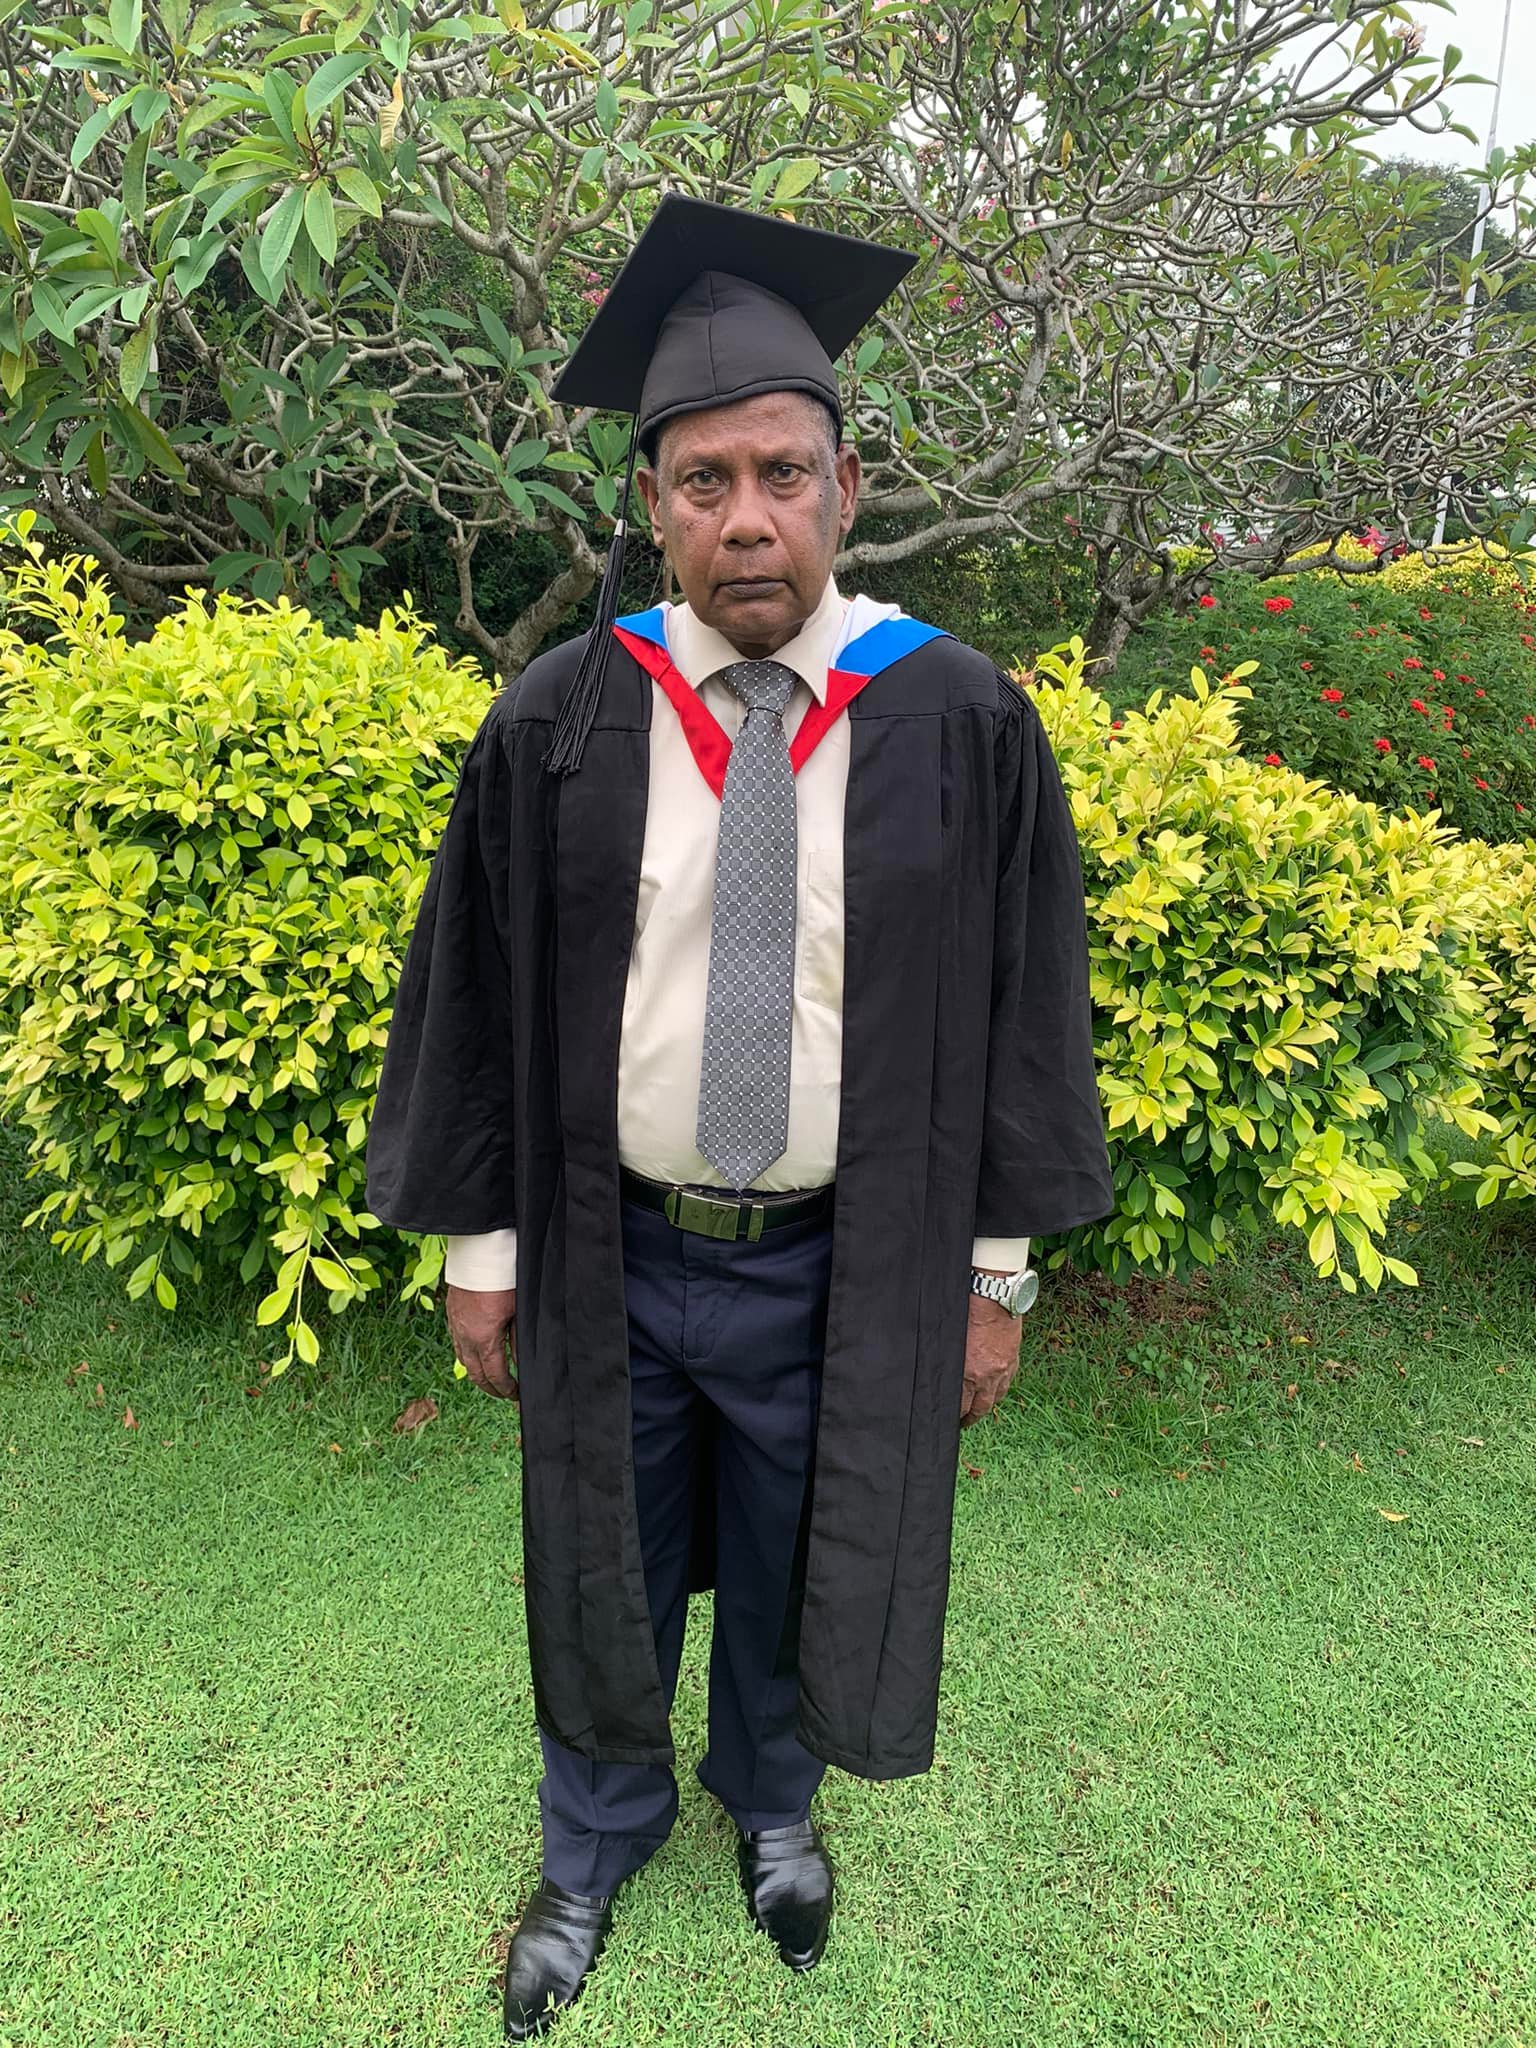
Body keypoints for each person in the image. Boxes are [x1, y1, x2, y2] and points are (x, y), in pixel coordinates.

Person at [365, 195, 1115, 2040]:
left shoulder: (956, 716)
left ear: (848, 487)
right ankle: (593, 1838)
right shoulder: (562, 718)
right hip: (611, 1249)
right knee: (598, 1555)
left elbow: (1024, 1013)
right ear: (653, 506)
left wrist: (996, 1274)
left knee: (802, 1547)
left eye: (783, 473)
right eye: (704, 482)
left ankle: (774, 1807)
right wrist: (483, 1248)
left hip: (844, 1259)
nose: (748, 518)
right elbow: (478, 1000)